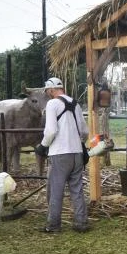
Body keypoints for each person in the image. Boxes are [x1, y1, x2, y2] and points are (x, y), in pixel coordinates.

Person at [35, 77, 90, 233]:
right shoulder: (75, 104)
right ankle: (81, 223)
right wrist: (78, 142)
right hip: (77, 153)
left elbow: (51, 130)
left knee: (55, 190)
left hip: (60, 153)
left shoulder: (52, 104)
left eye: (47, 91)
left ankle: (53, 225)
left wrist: (42, 146)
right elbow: (85, 132)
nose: (48, 94)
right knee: (77, 189)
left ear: (52, 90)